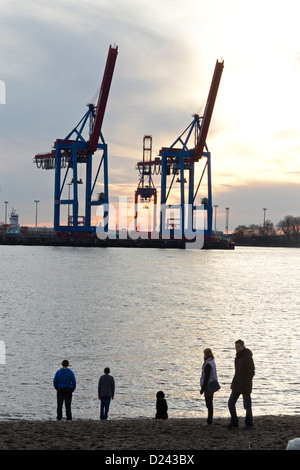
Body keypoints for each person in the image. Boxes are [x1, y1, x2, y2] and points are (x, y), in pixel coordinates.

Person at [228, 339, 255, 429]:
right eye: (236, 347)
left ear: (242, 346)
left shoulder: (247, 357)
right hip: (237, 385)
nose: (237, 348)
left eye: (238, 346)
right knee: (231, 403)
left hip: (245, 386)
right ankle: (234, 421)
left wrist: (245, 383)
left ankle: (249, 424)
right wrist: (233, 382)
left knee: (247, 406)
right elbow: (237, 372)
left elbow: (251, 372)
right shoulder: (238, 358)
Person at [200, 348, 219, 425]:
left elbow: (206, 377)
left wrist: (202, 388)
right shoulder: (212, 362)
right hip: (212, 384)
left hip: (208, 385)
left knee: (209, 404)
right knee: (209, 403)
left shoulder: (208, 364)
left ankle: (209, 421)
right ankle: (209, 420)